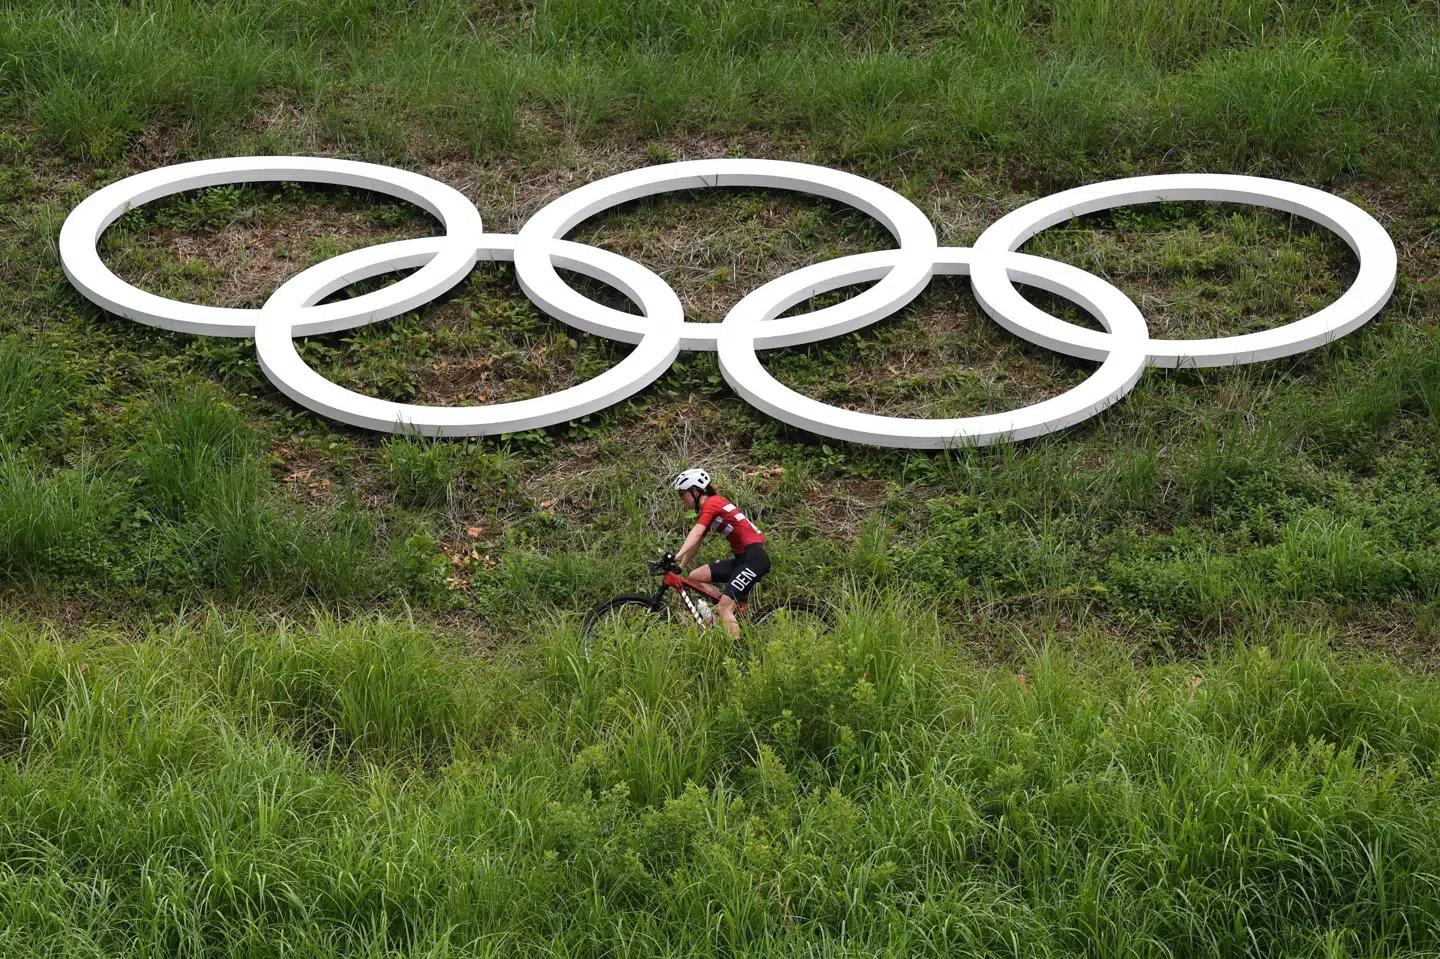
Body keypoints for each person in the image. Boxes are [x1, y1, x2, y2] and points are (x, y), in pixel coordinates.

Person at [671, 468, 769, 640]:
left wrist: (677, 555)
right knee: (695, 576)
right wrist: (681, 565)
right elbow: (698, 540)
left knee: (724, 608)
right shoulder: (712, 505)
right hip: (743, 559)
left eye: (682, 494)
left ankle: (737, 658)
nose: (681, 499)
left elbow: (696, 532)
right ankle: (720, 623)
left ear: (694, 491)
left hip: (753, 558)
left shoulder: (711, 504)